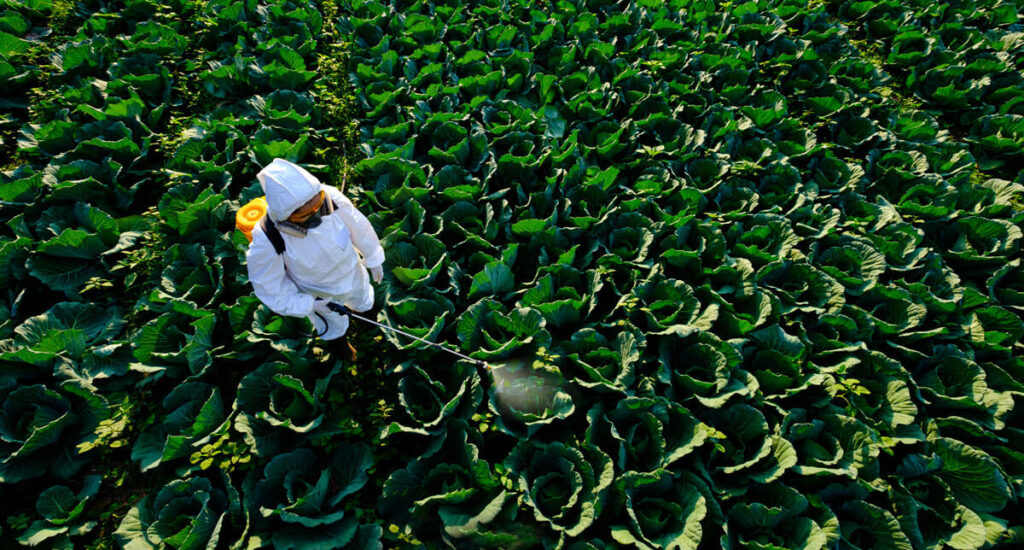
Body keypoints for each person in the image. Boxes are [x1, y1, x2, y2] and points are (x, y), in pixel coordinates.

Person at [245, 158, 384, 360]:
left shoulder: (331, 199)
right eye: (306, 214)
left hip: (351, 271)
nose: (316, 213)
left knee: (363, 299)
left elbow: (359, 227)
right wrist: (307, 304)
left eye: (317, 204)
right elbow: (269, 286)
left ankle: (368, 323)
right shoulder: (267, 237)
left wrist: (373, 256)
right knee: (331, 326)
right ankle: (342, 349)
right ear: (286, 216)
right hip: (318, 291)